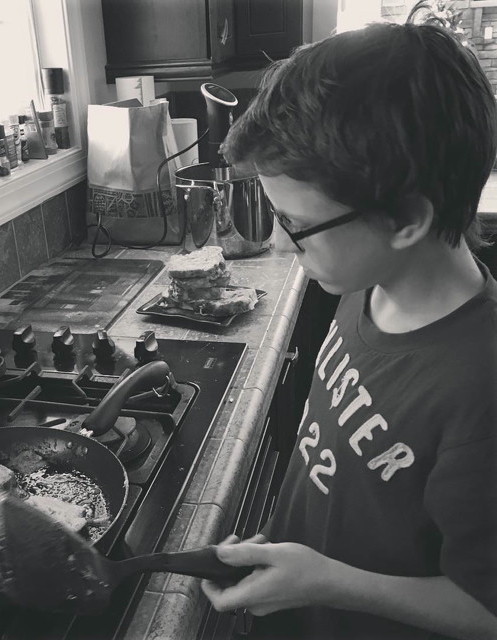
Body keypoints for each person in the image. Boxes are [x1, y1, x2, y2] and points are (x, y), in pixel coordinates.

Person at [201, 21, 497, 640]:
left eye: (297, 224)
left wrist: (327, 581)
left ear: (406, 219)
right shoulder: (364, 285)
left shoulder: (481, 391)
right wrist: (293, 552)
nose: (282, 243)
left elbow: (486, 609)